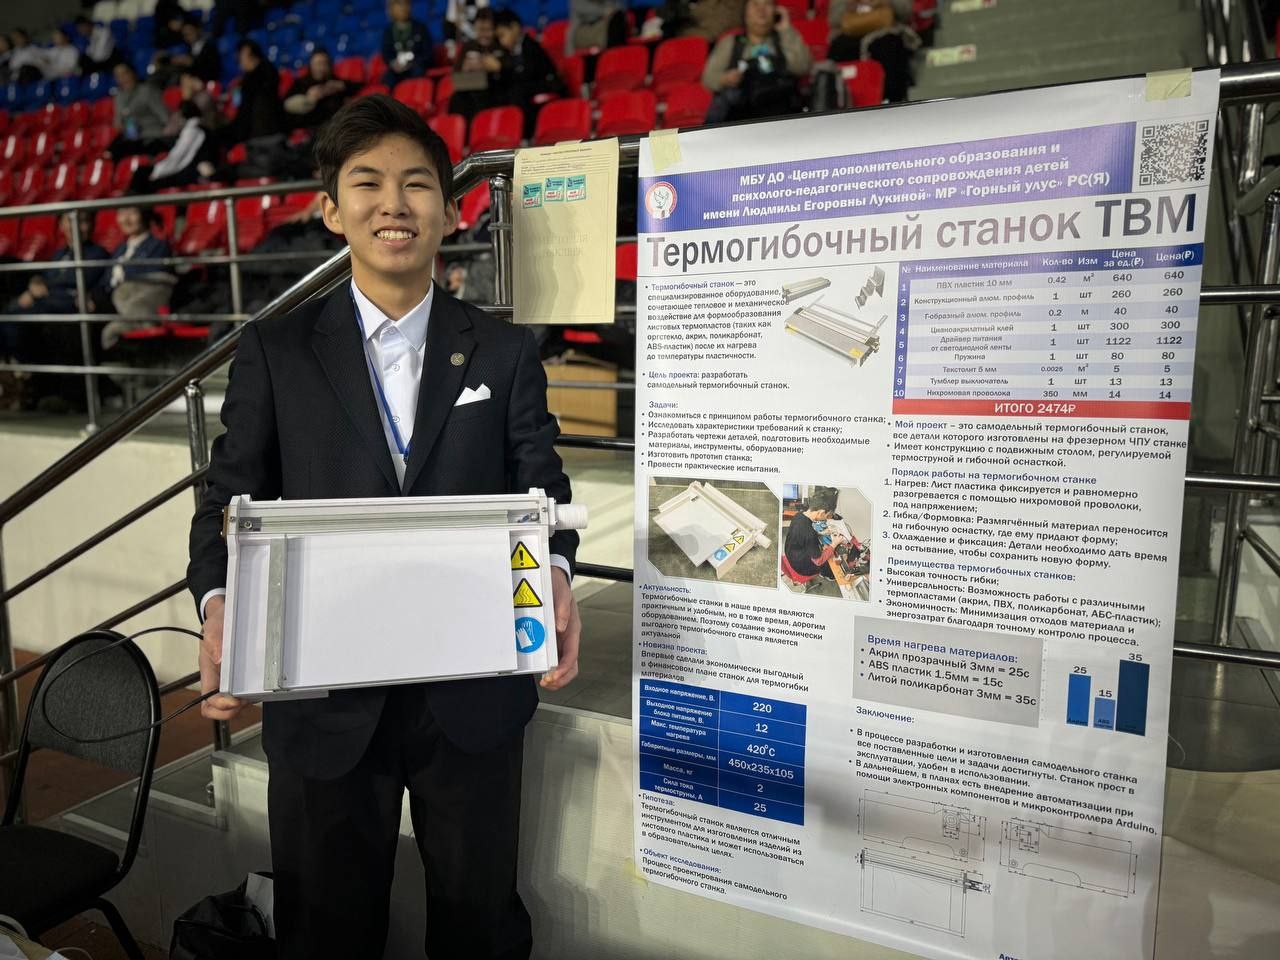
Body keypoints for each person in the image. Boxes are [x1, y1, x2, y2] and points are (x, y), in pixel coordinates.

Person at [187, 93, 582, 960]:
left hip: (472, 690)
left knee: (480, 924)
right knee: (326, 930)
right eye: (367, 183)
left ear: (451, 209)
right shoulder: (276, 350)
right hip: (322, 695)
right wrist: (220, 606)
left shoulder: (505, 349)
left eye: (417, 184)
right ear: (332, 210)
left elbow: (542, 486)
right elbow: (225, 500)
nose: (393, 203)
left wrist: (555, 573)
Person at [701, 0, 811, 122]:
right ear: (745, 13)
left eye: (767, 4)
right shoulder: (730, 43)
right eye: (755, 4)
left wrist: (786, 30)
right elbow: (708, 78)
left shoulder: (784, 38)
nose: (761, 10)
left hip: (782, 117)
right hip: (741, 119)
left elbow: (803, 67)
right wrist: (725, 79)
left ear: (776, 11)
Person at [93, 205, 176, 349]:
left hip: (133, 303)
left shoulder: (158, 246)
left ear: (144, 215)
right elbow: (105, 282)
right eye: (121, 213)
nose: (125, 219)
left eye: (132, 213)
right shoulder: (120, 249)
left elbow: (151, 282)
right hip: (109, 302)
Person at [827, 0, 918, 101]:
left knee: (890, 47)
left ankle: (893, 101)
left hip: (887, 32)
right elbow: (833, 19)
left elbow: (905, 12)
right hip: (850, 33)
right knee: (839, 49)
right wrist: (848, 5)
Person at [493, 9, 564, 135]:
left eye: (502, 35)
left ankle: (525, 134)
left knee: (517, 91)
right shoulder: (506, 52)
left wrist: (502, 68)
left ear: (515, 28)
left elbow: (530, 74)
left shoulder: (531, 45)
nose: (501, 41)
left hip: (546, 83)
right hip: (528, 86)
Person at [225, 40, 288, 176]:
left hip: (269, 137)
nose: (239, 62)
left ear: (248, 53)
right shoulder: (249, 80)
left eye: (241, 56)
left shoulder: (265, 74)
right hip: (255, 139)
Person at [134, 100, 219, 191]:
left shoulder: (192, 131)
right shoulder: (198, 128)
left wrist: (157, 172)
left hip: (190, 173)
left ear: (182, 116)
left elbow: (178, 157)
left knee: (143, 177)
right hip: (189, 170)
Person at [108, 62, 174, 159]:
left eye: (125, 73)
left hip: (152, 136)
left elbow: (165, 117)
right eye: (118, 76)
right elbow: (117, 122)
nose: (123, 78)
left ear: (133, 73)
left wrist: (167, 135)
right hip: (132, 139)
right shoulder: (118, 97)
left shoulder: (147, 91)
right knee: (111, 152)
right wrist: (120, 125)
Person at [448, 8, 502, 120]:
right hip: (471, 91)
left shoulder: (500, 45)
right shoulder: (469, 46)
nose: (484, 35)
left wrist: (493, 68)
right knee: (456, 98)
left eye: (488, 30)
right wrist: (465, 69)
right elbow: (457, 79)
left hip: (494, 91)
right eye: (481, 30)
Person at [284, 49, 359, 130]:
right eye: (318, 64)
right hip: (309, 128)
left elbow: (359, 87)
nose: (321, 68)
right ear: (310, 65)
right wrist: (308, 99)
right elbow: (287, 106)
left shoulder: (334, 81)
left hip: (334, 127)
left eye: (325, 63)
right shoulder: (301, 83)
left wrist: (342, 86)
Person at [783, 487, 845, 581]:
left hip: (792, 554)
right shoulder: (809, 533)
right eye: (828, 515)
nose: (827, 518)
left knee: (824, 549)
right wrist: (834, 544)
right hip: (802, 567)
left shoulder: (799, 515)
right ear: (821, 513)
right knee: (830, 560)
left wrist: (821, 533)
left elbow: (803, 535)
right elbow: (818, 561)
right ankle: (826, 574)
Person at [383, 0, 434, 81]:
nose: (404, 8)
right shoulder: (388, 32)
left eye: (407, 4)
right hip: (398, 69)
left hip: (416, 66)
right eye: (399, 4)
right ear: (391, 8)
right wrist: (394, 64)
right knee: (388, 78)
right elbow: (387, 54)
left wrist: (413, 63)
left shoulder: (420, 28)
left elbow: (428, 53)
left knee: (418, 71)